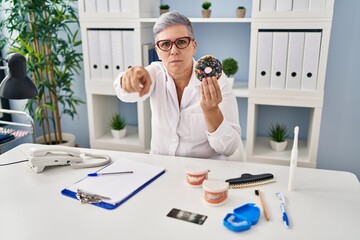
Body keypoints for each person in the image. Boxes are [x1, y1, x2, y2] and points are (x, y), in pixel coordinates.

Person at [113, 11, 241, 160]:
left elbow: (230, 148)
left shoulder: (216, 81)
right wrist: (128, 79)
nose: (174, 51)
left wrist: (211, 111)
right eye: (165, 44)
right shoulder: (154, 73)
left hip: (204, 171)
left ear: (194, 46)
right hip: (160, 166)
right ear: (157, 51)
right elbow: (125, 94)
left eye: (181, 42)